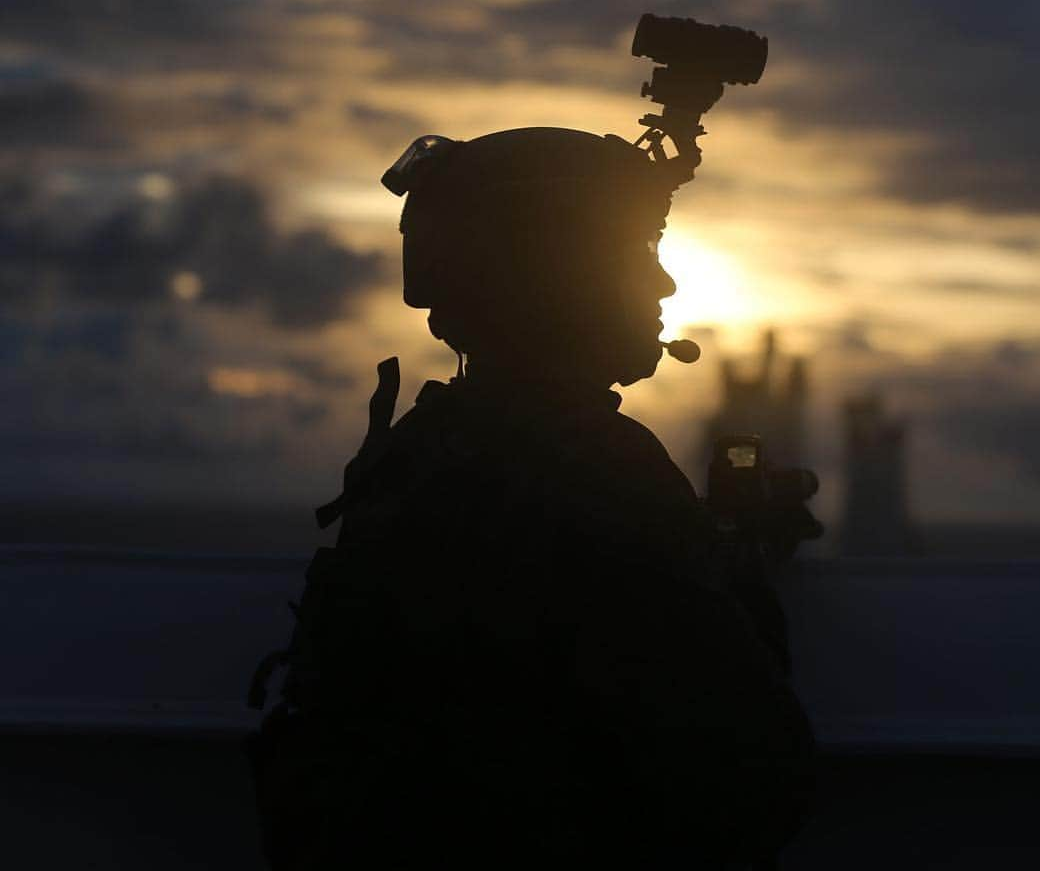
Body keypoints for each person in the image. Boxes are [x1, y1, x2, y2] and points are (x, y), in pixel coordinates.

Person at [249, 127, 816, 869]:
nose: (664, 285)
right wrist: (743, 571)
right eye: (633, 255)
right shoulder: (596, 469)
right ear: (551, 276)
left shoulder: (422, 447)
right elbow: (753, 774)